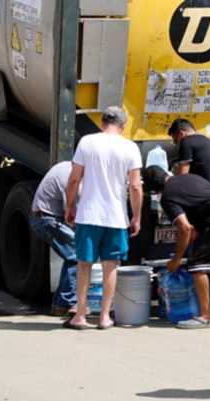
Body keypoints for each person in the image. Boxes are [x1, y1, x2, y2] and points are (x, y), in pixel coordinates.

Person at [64, 106, 143, 330]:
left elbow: (73, 179)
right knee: (111, 265)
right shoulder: (130, 147)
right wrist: (136, 216)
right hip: (116, 217)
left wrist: (70, 206)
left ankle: (80, 315)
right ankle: (104, 317)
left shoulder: (87, 142)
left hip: (88, 214)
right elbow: (135, 186)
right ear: (124, 125)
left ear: (102, 122)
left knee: (83, 264)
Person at [144, 167, 210, 329]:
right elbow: (201, 205)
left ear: (154, 189)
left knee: (197, 265)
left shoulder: (168, 196)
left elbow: (184, 228)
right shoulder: (187, 177)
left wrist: (177, 259)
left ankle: (206, 317)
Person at [29, 161, 77, 316]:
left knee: (71, 255)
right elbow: (71, 215)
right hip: (47, 220)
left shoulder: (68, 167)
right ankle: (65, 303)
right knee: (77, 254)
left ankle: (60, 304)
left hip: (46, 217)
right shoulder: (70, 177)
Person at [167, 119, 210, 192]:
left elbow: (182, 177)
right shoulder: (208, 142)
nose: (177, 144)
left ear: (181, 133)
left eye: (176, 141)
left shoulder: (186, 141)